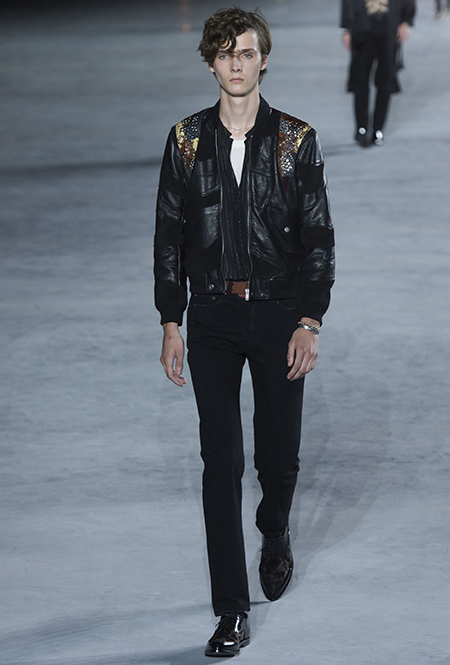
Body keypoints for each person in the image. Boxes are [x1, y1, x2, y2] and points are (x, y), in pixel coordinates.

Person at [154, 7, 334, 657]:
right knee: (220, 460)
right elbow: (168, 236)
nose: (236, 63)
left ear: (264, 60)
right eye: (225, 53)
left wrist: (310, 319)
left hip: (280, 312)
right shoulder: (185, 140)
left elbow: (318, 236)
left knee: (277, 459)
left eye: (247, 52)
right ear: (210, 62)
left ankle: (275, 527)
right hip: (212, 316)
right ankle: (231, 610)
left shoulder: (296, 140)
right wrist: (170, 320)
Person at [341, 0, 416, 147]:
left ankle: (378, 128)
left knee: (386, 80)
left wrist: (406, 22)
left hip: (389, 28)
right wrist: (347, 28)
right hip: (362, 28)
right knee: (360, 80)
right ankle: (361, 127)